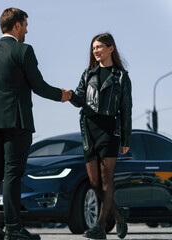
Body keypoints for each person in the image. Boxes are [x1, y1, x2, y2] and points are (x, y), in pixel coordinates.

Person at [0, 7, 71, 240]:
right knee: (13, 173)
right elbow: (39, 85)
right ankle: (13, 228)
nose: (26, 29)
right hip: (17, 120)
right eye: (25, 25)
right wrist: (61, 95)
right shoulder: (23, 50)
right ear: (16, 25)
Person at [68, 32, 132, 240]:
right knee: (94, 183)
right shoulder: (88, 74)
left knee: (106, 180)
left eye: (99, 47)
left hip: (109, 130)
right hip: (88, 130)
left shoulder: (121, 76)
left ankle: (100, 227)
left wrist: (126, 139)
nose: (95, 51)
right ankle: (120, 215)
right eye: (93, 48)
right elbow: (79, 99)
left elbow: (126, 109)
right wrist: (69, 96)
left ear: (110, 48)